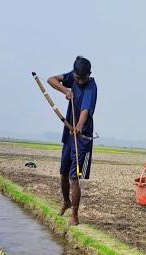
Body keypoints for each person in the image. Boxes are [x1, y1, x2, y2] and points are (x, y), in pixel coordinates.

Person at [47, 56, 98, 226]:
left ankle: (75, 214)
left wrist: (79, 126)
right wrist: (65, 91)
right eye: (77, 78)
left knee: (74, 178)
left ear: (89, 74)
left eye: (83, 78)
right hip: (69, 136)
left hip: (82, 139)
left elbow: (84, 110)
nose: (80, 81)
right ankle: (66, 202)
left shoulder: (91, 87)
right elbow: (50, 80)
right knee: (63, 174)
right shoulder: (72, 78)